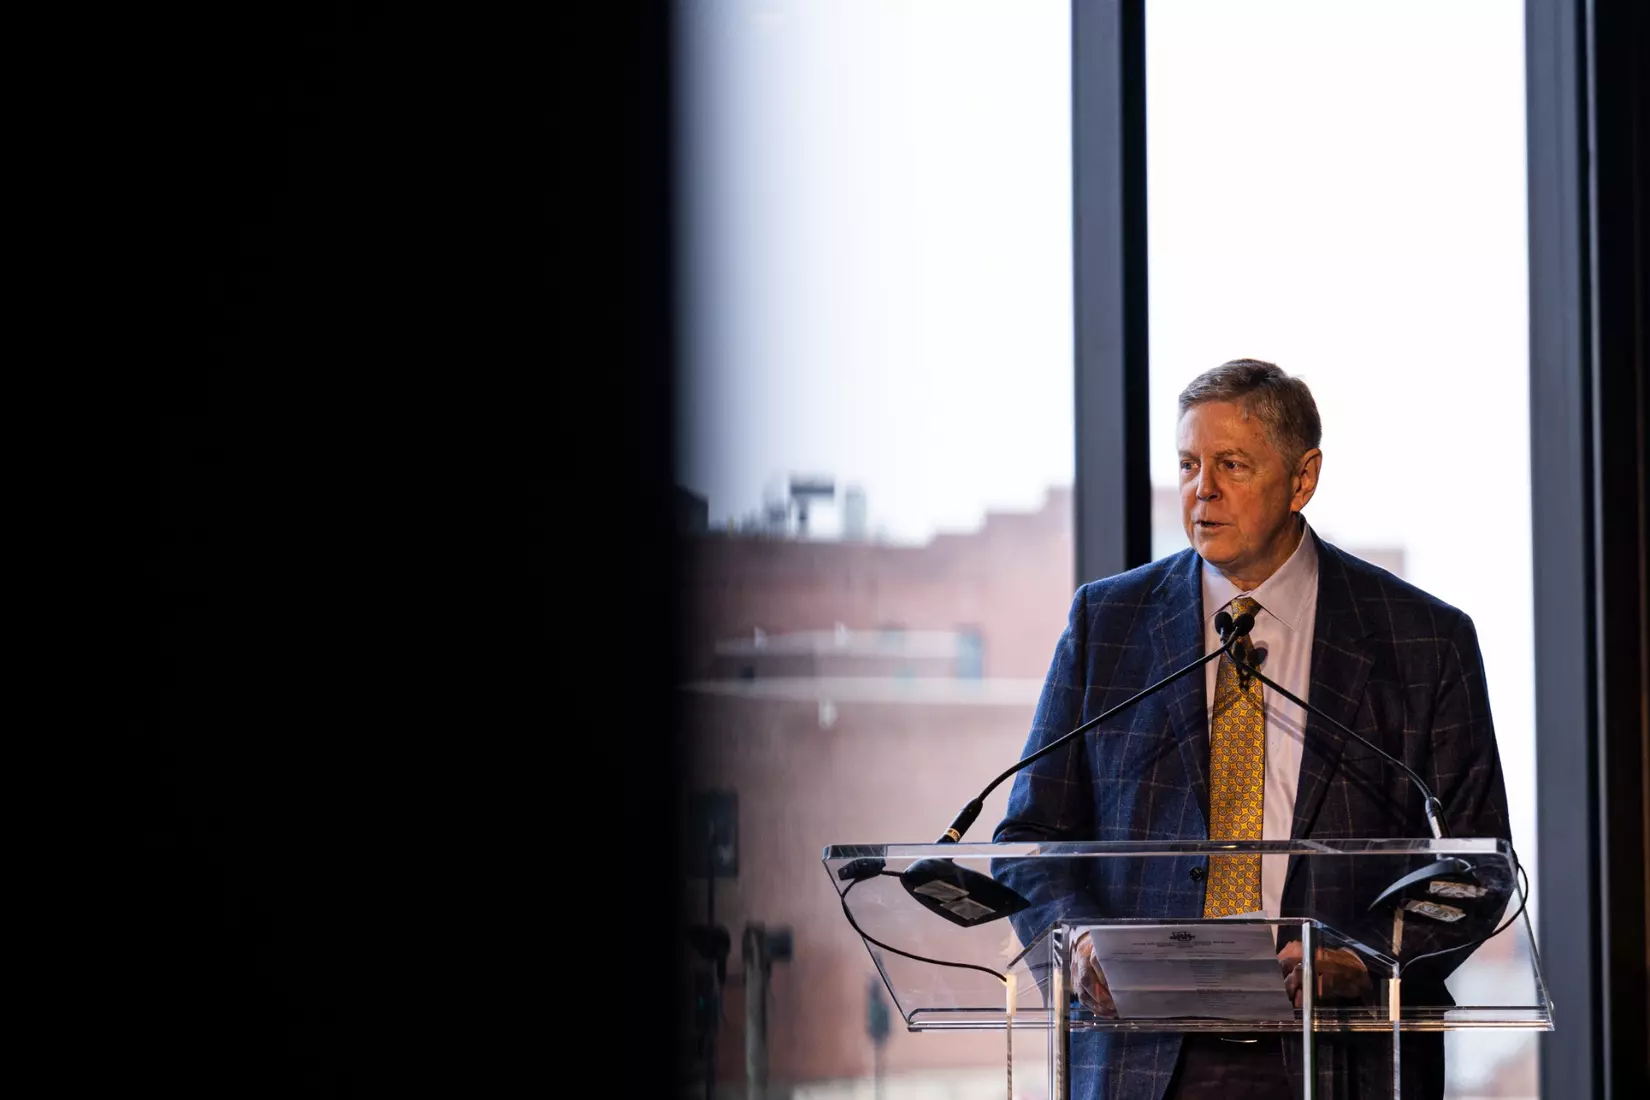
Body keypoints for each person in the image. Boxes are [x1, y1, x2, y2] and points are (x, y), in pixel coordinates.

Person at [991, 360, 1511, 1099]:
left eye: (1231, 465)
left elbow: (1477, 870)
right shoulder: (1107, 625)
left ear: (1303, 480)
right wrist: (1075, 949)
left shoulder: (1423, 641)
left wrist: (1367, 960)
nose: (1202, 489)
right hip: (1143, 1059)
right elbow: (1028, 845)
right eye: (1188, 464)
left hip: (1343, 1057)